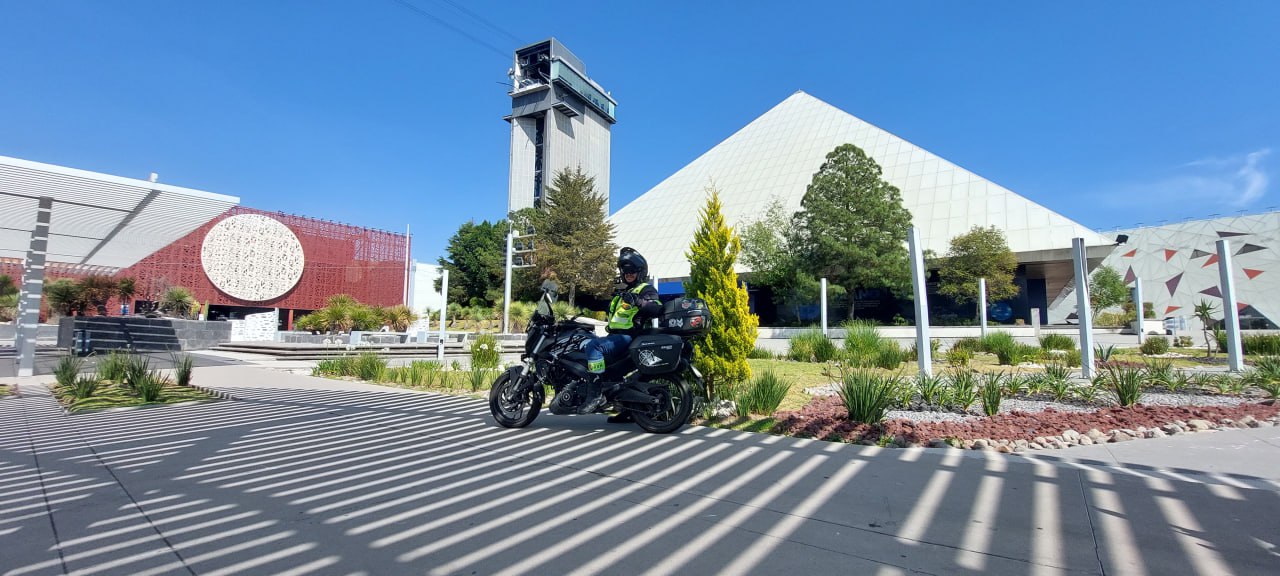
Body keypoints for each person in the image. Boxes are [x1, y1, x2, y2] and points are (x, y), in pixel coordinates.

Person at [575, 247, 662, 417]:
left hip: (627, 337)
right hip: (614, 337)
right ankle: (626, 411)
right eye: (625, 271)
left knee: (594, 347)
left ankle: (595, 395)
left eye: (632, 271)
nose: (628, 274)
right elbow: (602, 305)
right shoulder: (621, 295)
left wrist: (638, 301)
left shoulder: (645, 290)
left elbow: (656, 308)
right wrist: (582, 299)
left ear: (640, 272)